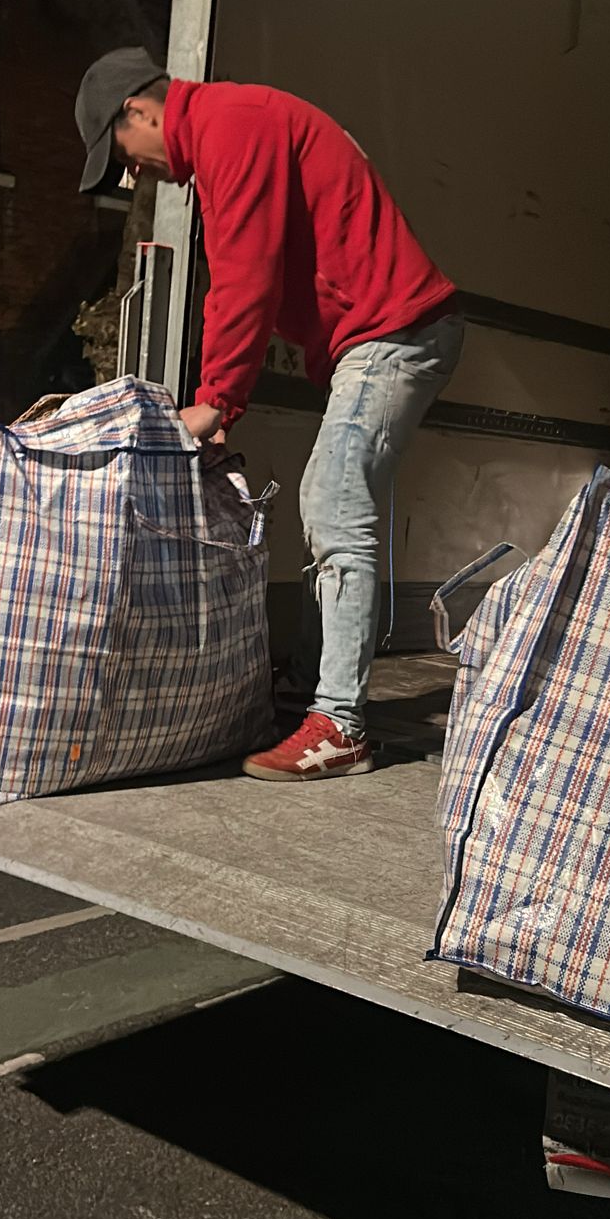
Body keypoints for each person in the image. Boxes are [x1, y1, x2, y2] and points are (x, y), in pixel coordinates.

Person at [75, 46, 463, 782]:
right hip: (382, 335)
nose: (132, 172)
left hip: (399, 333)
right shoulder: (230, 127)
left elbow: (242, 275)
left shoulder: (231, 125)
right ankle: (319, 685)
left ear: (139, 110)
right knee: (335, 504)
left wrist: (219, 398)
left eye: (122, 152)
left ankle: (340, 726)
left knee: (331, 498)